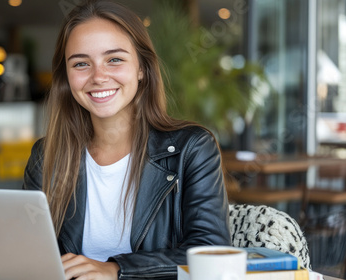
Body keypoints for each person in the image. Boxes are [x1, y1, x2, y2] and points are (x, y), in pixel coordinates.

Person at [23, 1, 231, 279]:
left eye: (115, 59)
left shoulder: (191, 148)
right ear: (67, 77)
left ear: (142, 69)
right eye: (82, 64)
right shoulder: (45, 155)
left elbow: (211, 252)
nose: (98, 77)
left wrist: (116, 270)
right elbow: (27, 251)